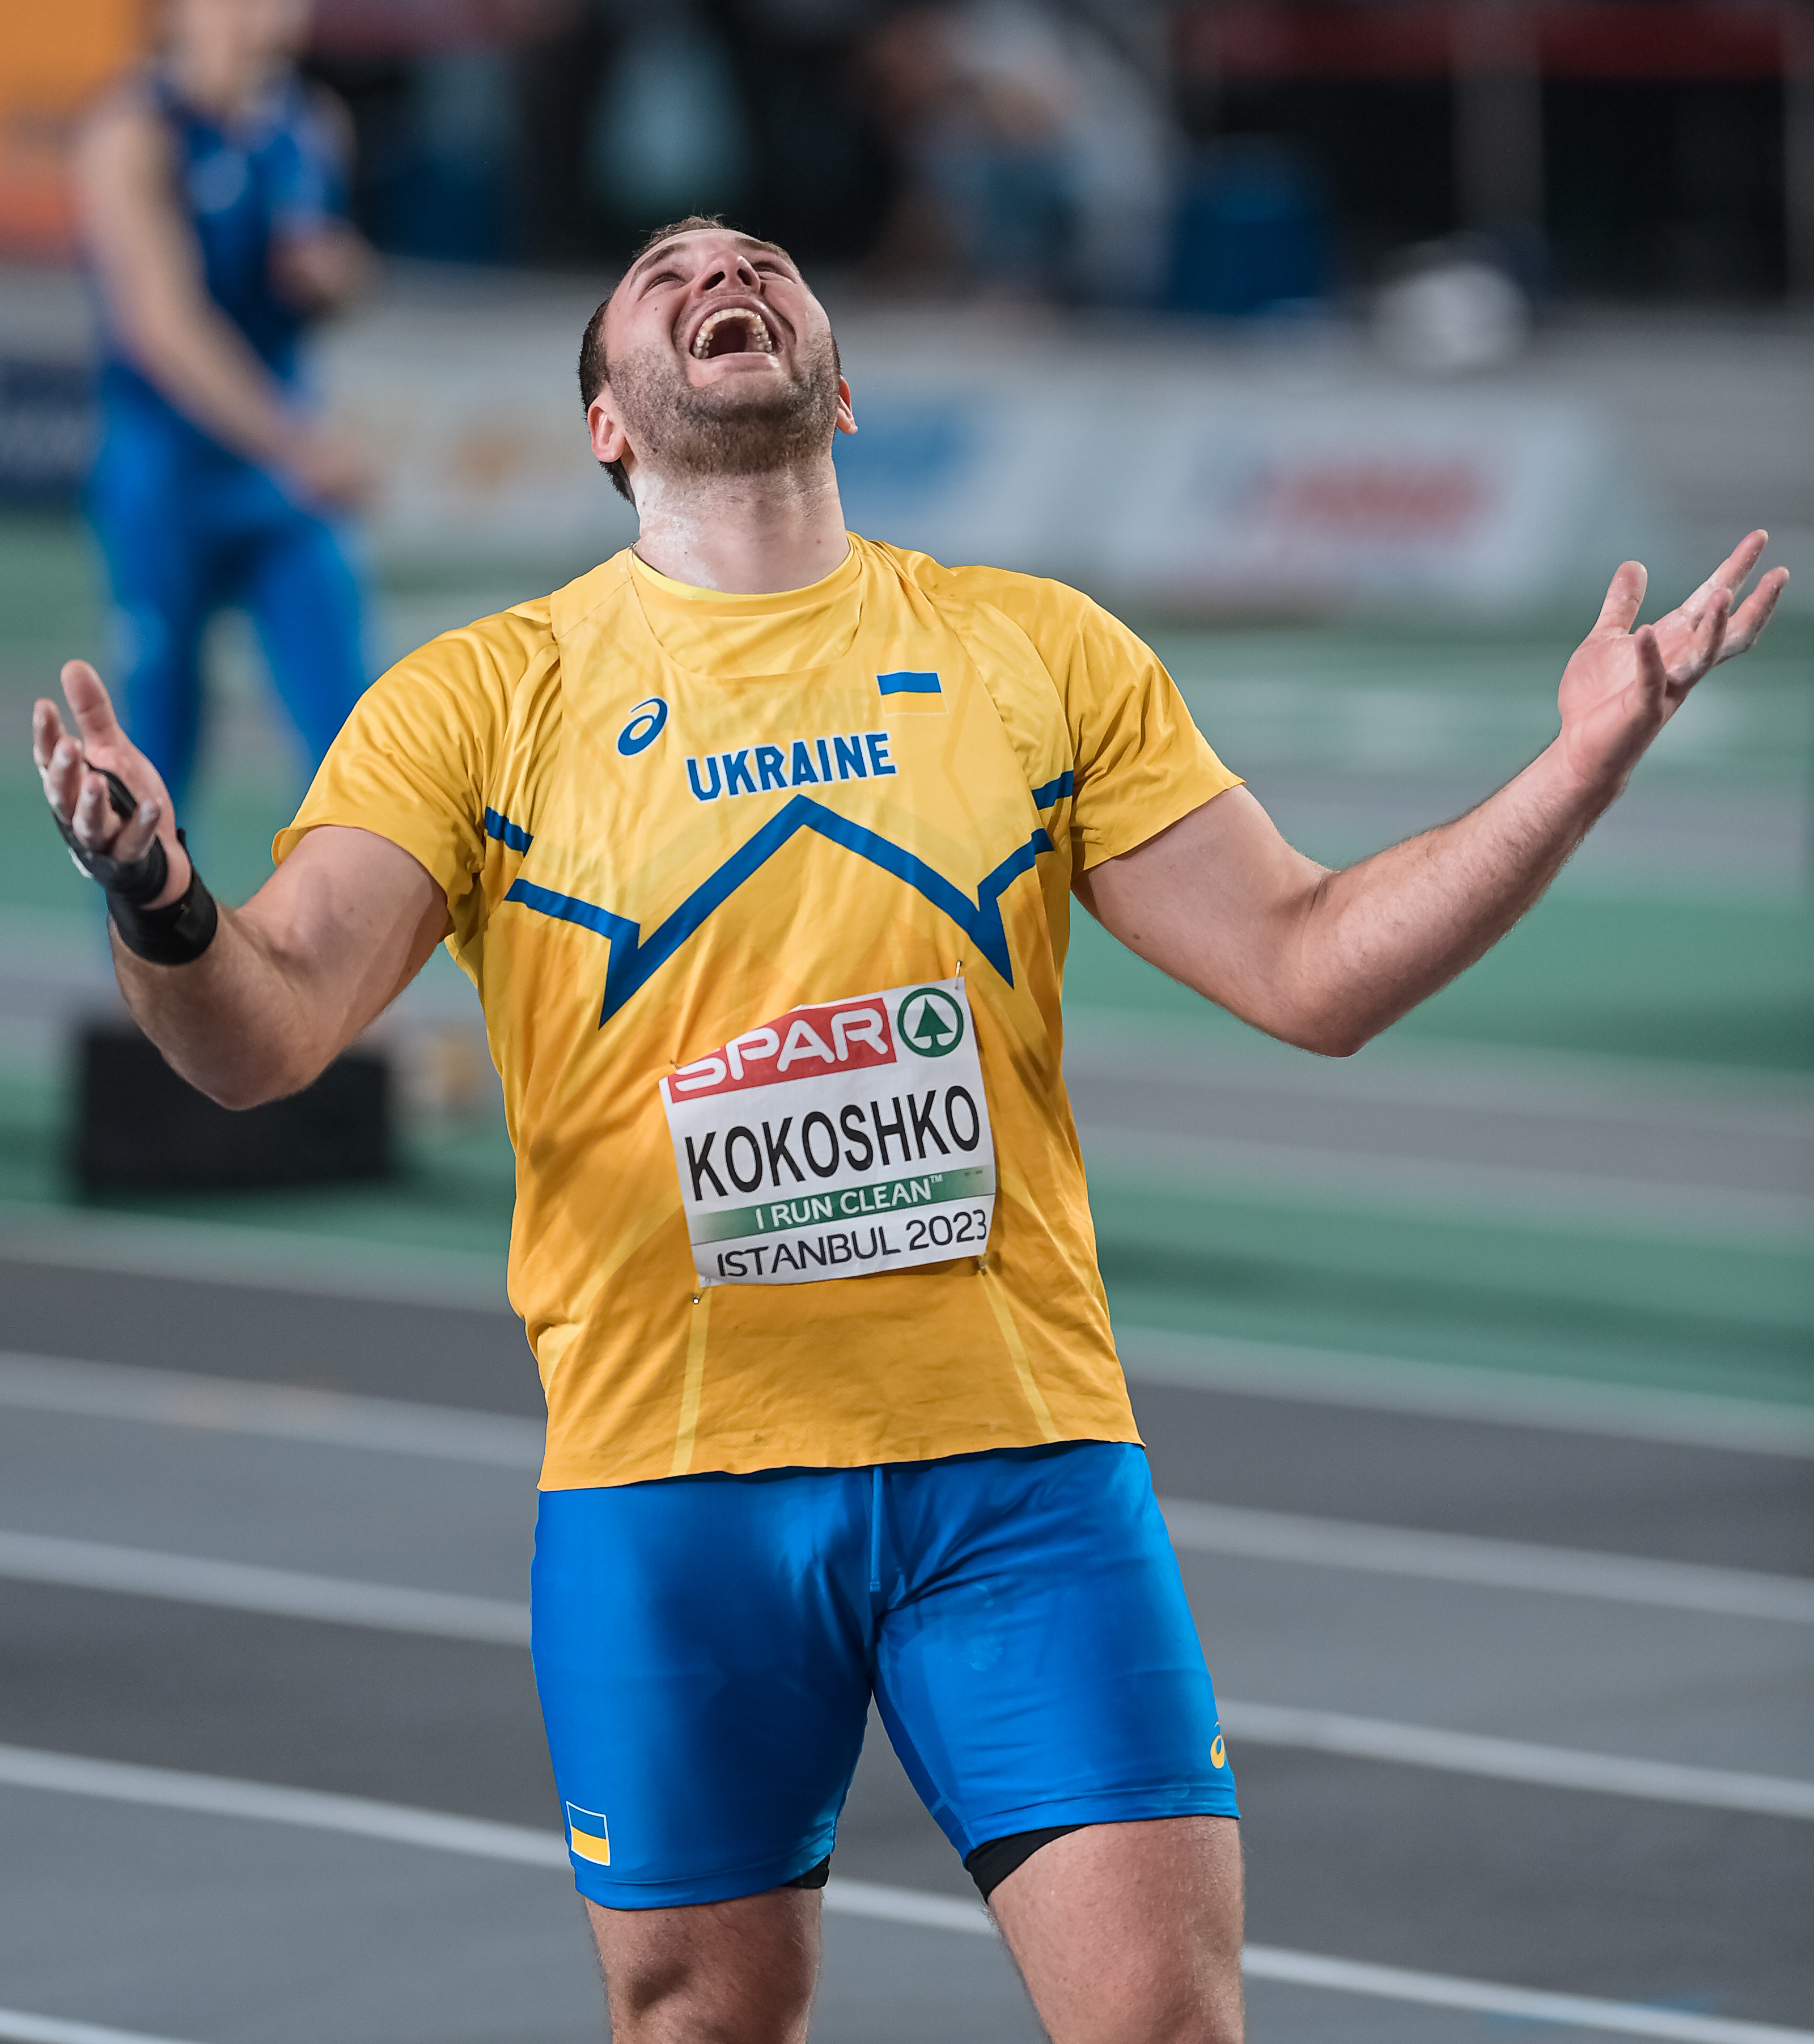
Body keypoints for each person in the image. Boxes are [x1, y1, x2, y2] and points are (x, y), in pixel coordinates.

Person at [33, 216, 1785, 2043]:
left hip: (1019, 1469)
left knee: (1164, 2025)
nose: (725, 275)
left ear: (844, 387)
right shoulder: (479, 704)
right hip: (673, 1484)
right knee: (704, 2025)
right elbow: (267, 1035)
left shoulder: (1035, 651)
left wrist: (1576, 767)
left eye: (764, 262)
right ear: (606, 423)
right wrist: (161, 894)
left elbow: (1311, 966)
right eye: (666, 274)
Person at [75, 0, 373, 820]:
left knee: (354, 733)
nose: (258, 9)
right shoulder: (134, 133)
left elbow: (332, 275)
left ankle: (348, 911)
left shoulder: (312, 124)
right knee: (156, 747)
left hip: (278, 480)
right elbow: (163, 326)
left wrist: (337, 279)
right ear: (175, 3)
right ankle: (136, 918)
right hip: (169, 472)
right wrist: (297, 442)